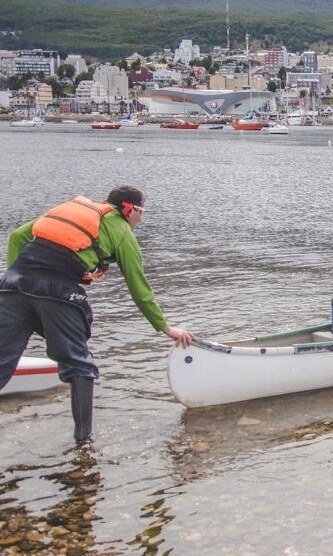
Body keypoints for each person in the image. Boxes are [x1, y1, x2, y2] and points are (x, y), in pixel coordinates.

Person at [0, 186, 195, 443]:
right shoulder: (122, 232)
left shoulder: (74, 213)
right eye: (141, 212)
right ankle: (84, 443)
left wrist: (13, 278)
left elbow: (16, 236)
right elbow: (139, 287)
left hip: (12, 286)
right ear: (129, 209)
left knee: (3, 361)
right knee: (81, 366)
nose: (141, 219)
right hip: (58, 289)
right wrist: (165, 328)